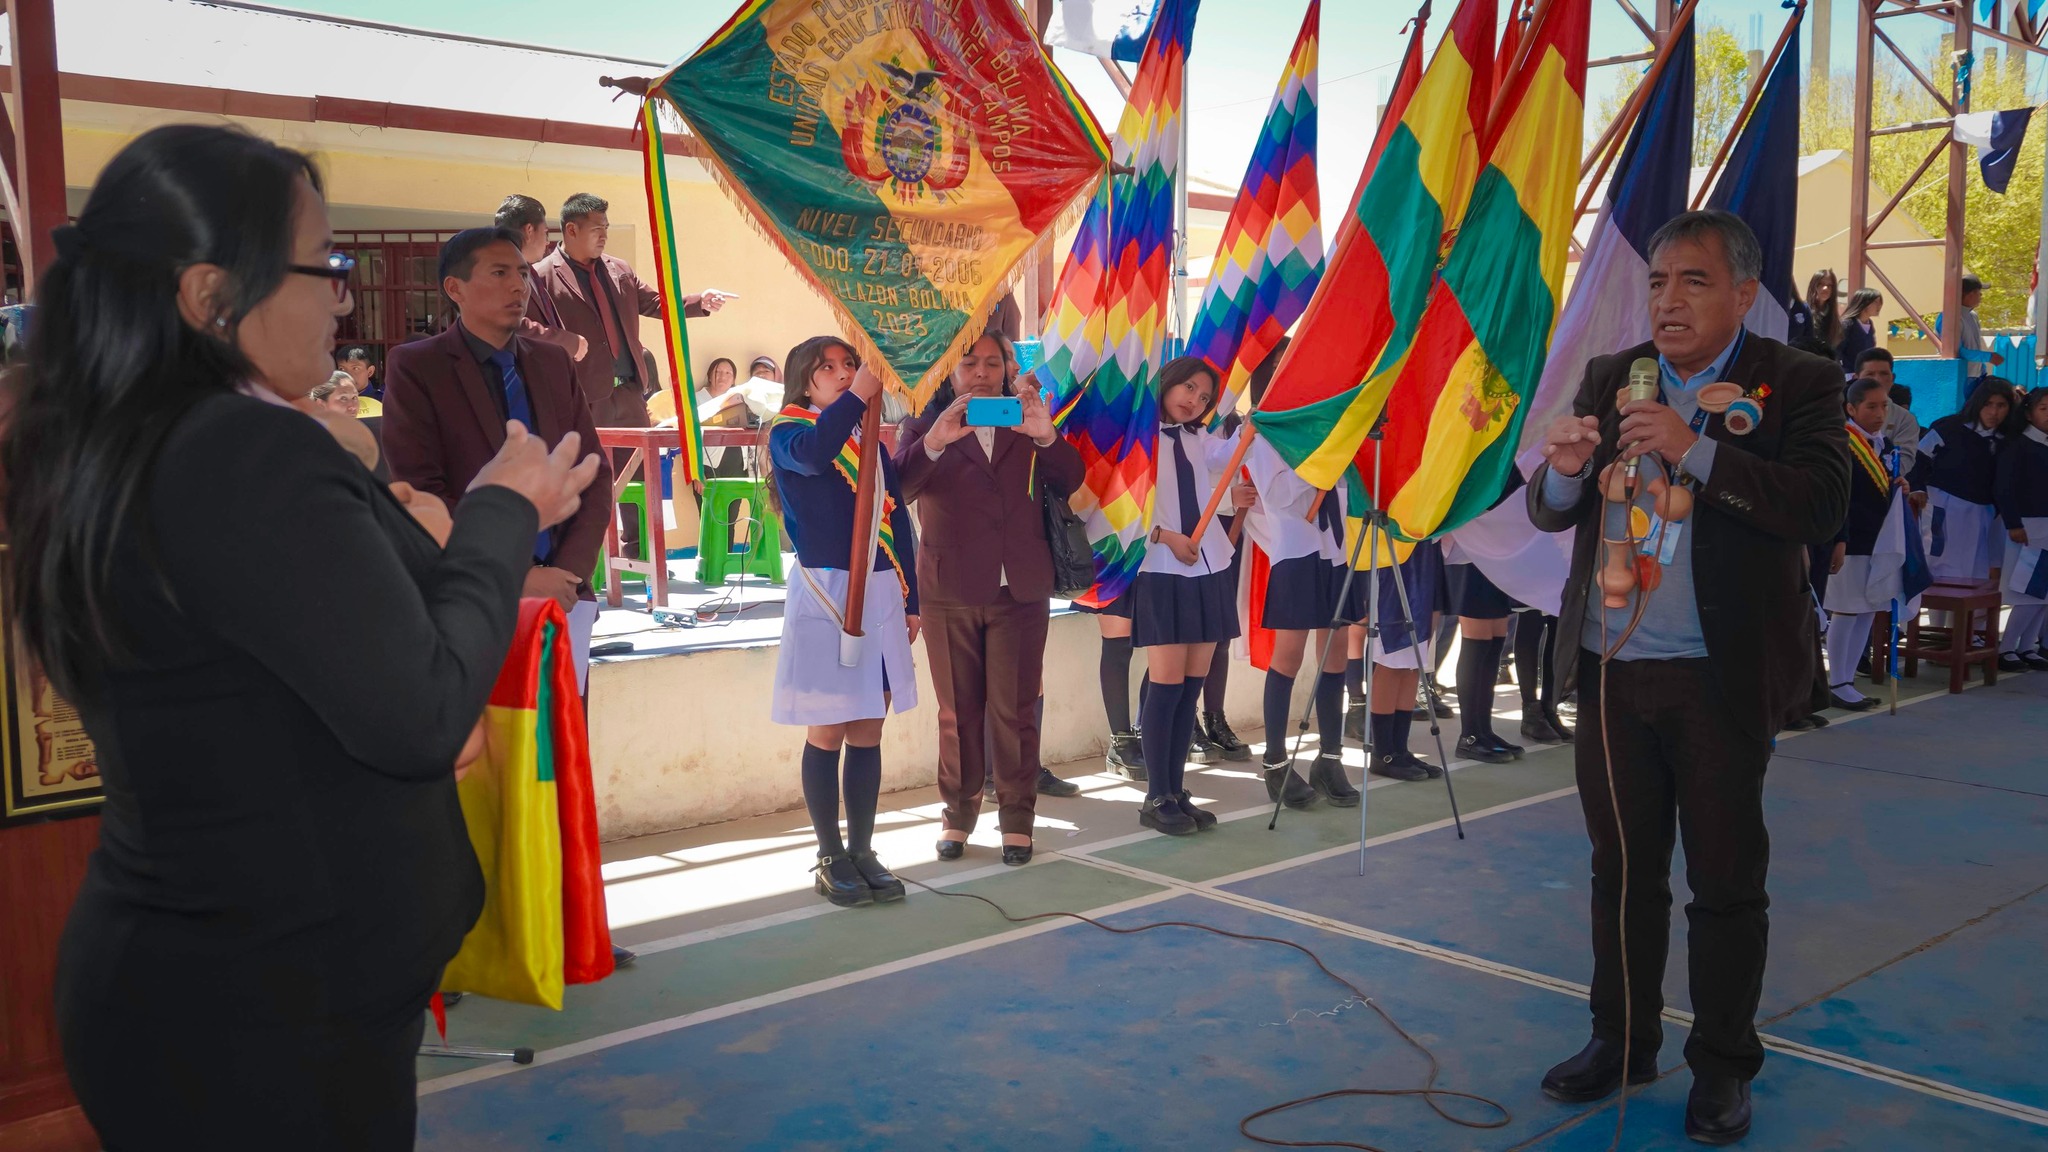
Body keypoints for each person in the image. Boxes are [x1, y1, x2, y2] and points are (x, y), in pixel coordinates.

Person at [4, 124, 600, 1149]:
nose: (343, 300)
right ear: (210, 295)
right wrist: (502, 509)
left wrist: (385, 508)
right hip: (266, 1012)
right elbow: (425, 716)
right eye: (322, 267)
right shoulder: (241, 451)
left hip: (232, 985)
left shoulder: (137, 434)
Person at [1528, 209, 1848, 1145]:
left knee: (1724, 880)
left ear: (1744, 294)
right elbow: (1555, 511)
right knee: (1621, 871)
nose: (1668, 301)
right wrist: (1564, 472)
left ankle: (1721, 1065)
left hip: (1720, 676)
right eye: (1659, 281)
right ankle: (1621, 1039)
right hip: (1613, 669)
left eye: (1694, 282)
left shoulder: (1799, 380)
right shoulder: (1613, 375)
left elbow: (1820, 506)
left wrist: (1692, 447)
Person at [381, 225, 613, 689]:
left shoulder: (553, 363)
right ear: (455, 288)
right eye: (500, 273)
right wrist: (515, 575)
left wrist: (567, 574)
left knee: (559, 731)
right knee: (487, 732)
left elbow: (593, 475)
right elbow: (422, 492)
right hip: (471, 594)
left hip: (564, 597)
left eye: (523, 274)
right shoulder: (418, 367)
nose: (518, 286)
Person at [896, 332, 1083, 865]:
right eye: (969, 363)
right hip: (949, 589)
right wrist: (936, 441)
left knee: (1015, 710)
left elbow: (1070, 479)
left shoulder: (1025, 419)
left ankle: (1017, 820)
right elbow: (899, 489)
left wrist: (1046, 436)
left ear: (1007, 370)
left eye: (993, 363)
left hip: (1019, 587)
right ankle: (957, 815)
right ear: (948, 373)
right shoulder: (923, 425)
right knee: (957, 711)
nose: (981, 372)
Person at [767, 335, 919, 907]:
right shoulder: (789, 432)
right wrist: (858, 396)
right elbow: (814, 454)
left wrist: (912, 599)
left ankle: (862, 848)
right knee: (827, 728)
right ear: (804, 380)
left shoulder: (867, 439)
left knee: (868, 727)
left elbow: (897, 521)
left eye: (850, 365)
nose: (842, 373)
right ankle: (830, 853)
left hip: (880, 591)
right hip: (826, 592)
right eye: (827, 367)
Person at [529, 193, 728, 553]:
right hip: (582, 398)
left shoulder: (618, 269)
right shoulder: (542, 276)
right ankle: (583, 560)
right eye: (597, 229)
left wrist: (699, 301)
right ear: (571, 230)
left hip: (630, 393)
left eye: (606, 227)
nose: (604, 235)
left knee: (639, 481)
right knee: (585, 480)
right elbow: (531, 334)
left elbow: (656, 303)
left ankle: (641, 556)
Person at [1131, 357, 1248, 836]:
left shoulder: (1202, 440)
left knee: (1189, 688)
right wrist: (1164, 537)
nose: (1194, 401)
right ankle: (1156, 795)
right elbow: (1117, 508)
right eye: (1189, 388)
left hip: (1207, 566)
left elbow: (1235, 454)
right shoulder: (1137, 440)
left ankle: (1176, 790)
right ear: (1168, 382)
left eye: (1204, 397)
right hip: (1160, 567)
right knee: (1165, 685)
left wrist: (1259, 423)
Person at [1823, 377, 1913, 710]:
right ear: (1851, 408)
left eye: (1884, 406)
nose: (1879, 414)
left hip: (1877, 539)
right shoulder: (1843, 442)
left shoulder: (1885, 444)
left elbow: (1882, 486)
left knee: (1867, 609)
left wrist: (1899, 486)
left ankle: (1847, 680)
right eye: (1871, 406)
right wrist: (1840, 539)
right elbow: (1839, 495)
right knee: (1846, 609)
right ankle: (1837, 681)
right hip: (1851, 538)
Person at [1909, 376, 2017, 585]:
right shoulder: (1949, 428)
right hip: (1943, 507)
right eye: (1988, 404)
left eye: (2001, 405)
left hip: (1983, 513)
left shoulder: (2008, 439)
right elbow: (1919, 457)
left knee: (1975, 570)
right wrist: (1917, 487)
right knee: (1937, 567)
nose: (1994, 412)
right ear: (1977, 403)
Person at [1443, 554, 1524, 764]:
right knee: (1478, 639)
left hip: (1494, 557)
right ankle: (1470, 736)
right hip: (1469, 557)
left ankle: (1484, 731)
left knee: (1496, 636)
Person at [494, 193, 586, 364]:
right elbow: (509, 322)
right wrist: (568, 342)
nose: (547, 242)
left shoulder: (529, 271)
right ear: (529, 231)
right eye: (545, 233)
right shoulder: (497, 269)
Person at [1994, 387, 2048, 670]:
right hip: (2029, 527)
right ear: (2028, 413)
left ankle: (2027, 646)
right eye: (2044, 409)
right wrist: (2013, 523)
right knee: (2027, 593)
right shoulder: (2018, 446)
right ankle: (2006, 648)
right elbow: (2004, 487)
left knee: (2044, 595)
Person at [1935, 274, 2003, 380]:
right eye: (1978, 292)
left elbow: (1974, 346)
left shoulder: (1973, 316)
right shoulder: (1948, 318)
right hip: (1957, 377)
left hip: (1976, 376)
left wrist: (1982, 370)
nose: (1981, 295)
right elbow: (1956, 351)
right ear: (1969, 295)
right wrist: (1988, 357)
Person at [1789, 268, 1840, 352]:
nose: (1825, 288)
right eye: (1821, 284)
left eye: (1830, 285)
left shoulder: (1834, 319)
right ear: (1813, 286)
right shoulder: (1804, 311)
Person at [1836, 287, 1883, 379]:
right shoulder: (1847, 324)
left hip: (1865, 375)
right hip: (1849, 376)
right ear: (1864, 303)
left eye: (1880, 302)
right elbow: (1837, 351)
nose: (1879, 306)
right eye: (1875, 302)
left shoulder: (1870, 324)